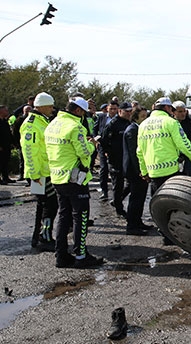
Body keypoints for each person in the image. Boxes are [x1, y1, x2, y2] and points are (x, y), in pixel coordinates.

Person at [44, 97, 103, 268]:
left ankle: (61, 256)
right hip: (75, 178)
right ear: (78, 111)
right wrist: (93, 145)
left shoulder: (52, 124)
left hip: (57, 177)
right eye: (83, 113)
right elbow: (84, 152)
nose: (84, 116)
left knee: (63, 216)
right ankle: (81, 256)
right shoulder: (75, 126)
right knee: (81, 217)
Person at [136, 96, 191, 196]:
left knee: (158, 203)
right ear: (167, 108)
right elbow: (184, 145)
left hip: (153, 172)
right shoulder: (171, 122)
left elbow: (140, 151)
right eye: (171, 109)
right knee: (175, 201)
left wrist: (144, 172)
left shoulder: (143, 125)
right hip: (171, 171)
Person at [20, 92, 58, 251]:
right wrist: (35, 176)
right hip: (39, 174)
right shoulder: (31, 124)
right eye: (50, 106)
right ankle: (45, 237)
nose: (52, 109)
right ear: (41, 106)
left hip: (44, 172)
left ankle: (38, 236)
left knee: (43, 205)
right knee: (50, 205)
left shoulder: (42, 120)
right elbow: (29, 151)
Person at [122, 107, 152, 236]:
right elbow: (135, 154)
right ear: (135, 118)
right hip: (134, 170)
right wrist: (141, 171)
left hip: (139, 169)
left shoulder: (138, 129)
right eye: (143, 116)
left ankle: (137, 221)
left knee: (140, 197)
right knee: (135, 198)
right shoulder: (132, 131)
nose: (146, 119)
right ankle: (132, 225)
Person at [101, 102, 133, 217]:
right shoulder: (113, 124)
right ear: (120, 111)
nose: (129, 113)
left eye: (130, 111)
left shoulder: (130, 123)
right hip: (115, 159)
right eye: (127, 111)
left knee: (131, 183)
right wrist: (108, 153)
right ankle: (119, 209)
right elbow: (103, 141)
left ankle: (117, 201)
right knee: (117, 185)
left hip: (127, 158)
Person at [94, 101, 118, 201]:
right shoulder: (101, 117)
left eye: (115, 109)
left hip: (114, 147)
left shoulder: (119, 119)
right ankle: (104, 192)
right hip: (102, 146)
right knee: (104, 169)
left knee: (114, 170)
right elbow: (95, 129)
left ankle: (116, 193)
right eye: (111, 108)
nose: (112, 111)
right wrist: (95, 139)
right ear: (107, 108)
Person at [172, 101, 191, 177]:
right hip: (174, 159)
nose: (183, 114)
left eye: (184, 111)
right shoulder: (170, 124)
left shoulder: (190, 123)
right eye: (180, 112)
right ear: (173, 112)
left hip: (189, 158)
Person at [12, 105, 32, 183]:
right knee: (22, 160)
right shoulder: (19, 120)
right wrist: (16, 143)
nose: (28, 112)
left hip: (32, 144)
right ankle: (22, 175)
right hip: (22, 143)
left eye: (29, 111)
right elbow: (15, 132)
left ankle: (30, 178)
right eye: (26, 111)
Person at [0, 105, 15, 185]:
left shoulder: (5, 121)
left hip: (7, 145)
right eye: (5, 111)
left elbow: (8, 134)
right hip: (1, 146)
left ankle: (6, 177)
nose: (7, 112)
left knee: (5, 162)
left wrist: (12, 142)